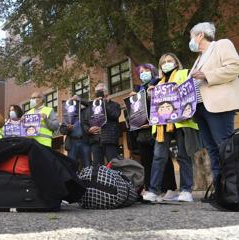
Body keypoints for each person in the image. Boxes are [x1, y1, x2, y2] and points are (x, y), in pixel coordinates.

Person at [143, 53, 199, 202]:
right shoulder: (157, 83)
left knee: (183, 156)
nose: (166, 64)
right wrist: (150, 95)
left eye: (170, 61)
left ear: (176, 62)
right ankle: (154, 191)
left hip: (182, 121)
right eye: (163, 62)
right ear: (160, 66)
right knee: (158, 157)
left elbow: (192, 92)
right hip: (162, 124)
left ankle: (186, 190)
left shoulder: (184, 73)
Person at [188, 22, 239, 187]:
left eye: (191, 37)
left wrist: (206, 74)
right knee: (212, 150)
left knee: (225, 147)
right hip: (200, 109)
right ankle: (220, 189)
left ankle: (233, 189)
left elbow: (234, 67)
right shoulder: (198, 59)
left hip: (218, 106)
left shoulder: (221, 45)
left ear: (200, 35)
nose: (191, 41)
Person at [129, 64, 177, 197]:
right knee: (146, 161)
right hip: (141, 131)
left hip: (157, 128)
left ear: (153, 71)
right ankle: (151, 189)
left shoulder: (158, 83)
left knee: (163, 158)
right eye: (141, 72)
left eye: (146, 71)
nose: (143, 73)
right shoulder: (138, 90)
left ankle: (169, 188)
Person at [82, 83, 121, 165]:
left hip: (109, 139)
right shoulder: (90, 107)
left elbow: (115, 115)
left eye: (100, 91)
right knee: (97, 167)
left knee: (114, 165)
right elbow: (85, 123)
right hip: (95, 141)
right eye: (97, 91)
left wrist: (104, 104)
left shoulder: (114, 105)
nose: (98, 93)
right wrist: (89, 130)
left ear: (106, 92)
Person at [60, 95, 91, 168]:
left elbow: (90, 105)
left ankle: (87, 179)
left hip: (84, 141)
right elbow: (62, 130)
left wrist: (79, 99)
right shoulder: (66, 117)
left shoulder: (82, 112)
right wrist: (68, 129)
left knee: (87, 165)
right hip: (72, 143)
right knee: (72, 165)